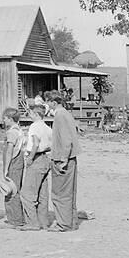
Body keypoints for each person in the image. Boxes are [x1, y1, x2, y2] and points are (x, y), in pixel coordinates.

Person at [47, 90, 81, 231]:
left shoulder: (60, 116)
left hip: (63, 158)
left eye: (48, 102)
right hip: (70, 157)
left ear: (54, 103)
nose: (47, 105)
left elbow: (66, 140)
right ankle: (70, 222)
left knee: (60, 193)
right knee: (69, 192)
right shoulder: (66, 113)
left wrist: (63, 160)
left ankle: (63, 224)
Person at [21, 105, 53, 230]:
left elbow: (35, 143)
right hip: (46, 158)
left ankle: (32, 222)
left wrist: (30, 158)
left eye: (31, 113)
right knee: (42, 193)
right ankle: (43, 221)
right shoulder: (47, 127)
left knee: (27, 193)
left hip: (36, 158)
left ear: (36, 114)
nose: (29, 115)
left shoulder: (34, 126)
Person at [0, 108, 26, 228]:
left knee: (11, 190)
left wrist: (6, 168)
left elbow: (9, 151)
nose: (4, 121)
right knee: (16, 189)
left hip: (13, 162)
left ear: (10, 119)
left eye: (5, 119)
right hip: (19, 161)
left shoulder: (11, 132)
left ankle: (14, 220)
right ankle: (18, 217)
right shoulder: (19, 130)